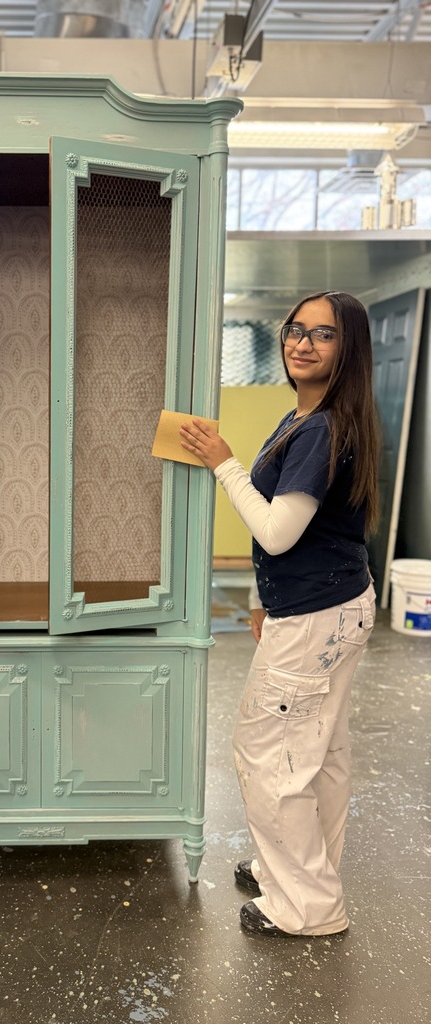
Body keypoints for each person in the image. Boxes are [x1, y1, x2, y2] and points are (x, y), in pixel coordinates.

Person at [180, 291, 379, 938]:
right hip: (331, 605)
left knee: (269, 753)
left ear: (347, 349)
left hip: (320, 615)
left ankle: (307, 907)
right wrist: (266, 603)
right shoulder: (311, 415)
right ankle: (294, 873)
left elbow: (277, 533)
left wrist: (222, 462)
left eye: (321, 335)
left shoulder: (321, 428)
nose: (301, 343)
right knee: (317, 753)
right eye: (295, 330)